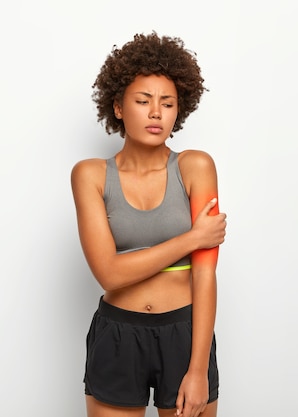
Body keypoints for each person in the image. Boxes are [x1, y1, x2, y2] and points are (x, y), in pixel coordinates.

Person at [71, 32, 226, 417]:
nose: (156, 112)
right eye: (143, 101)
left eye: (167, 103)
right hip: (118, 334)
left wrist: (197, 369)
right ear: (119, 108)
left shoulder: (196, 166)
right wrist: (192, 238)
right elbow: (108, 273)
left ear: (179, 110)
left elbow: (204, 276)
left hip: (186, 333)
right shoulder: (89, 175)